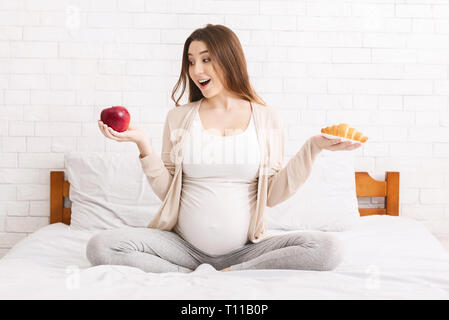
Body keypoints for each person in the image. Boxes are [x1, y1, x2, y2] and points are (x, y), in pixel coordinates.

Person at [87, 24, 362, 273]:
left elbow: (273, 195)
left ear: (230, 59)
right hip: (183, 249)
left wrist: (312, 148)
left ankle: (237, 272)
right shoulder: (179, 118)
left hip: (246, 250)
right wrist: (143, 146)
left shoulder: (266, 118)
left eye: (206, 59)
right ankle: (192, 275)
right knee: (100, 247)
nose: (196, 71)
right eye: (191, 62)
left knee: (329, 249)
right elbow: (167, 192)